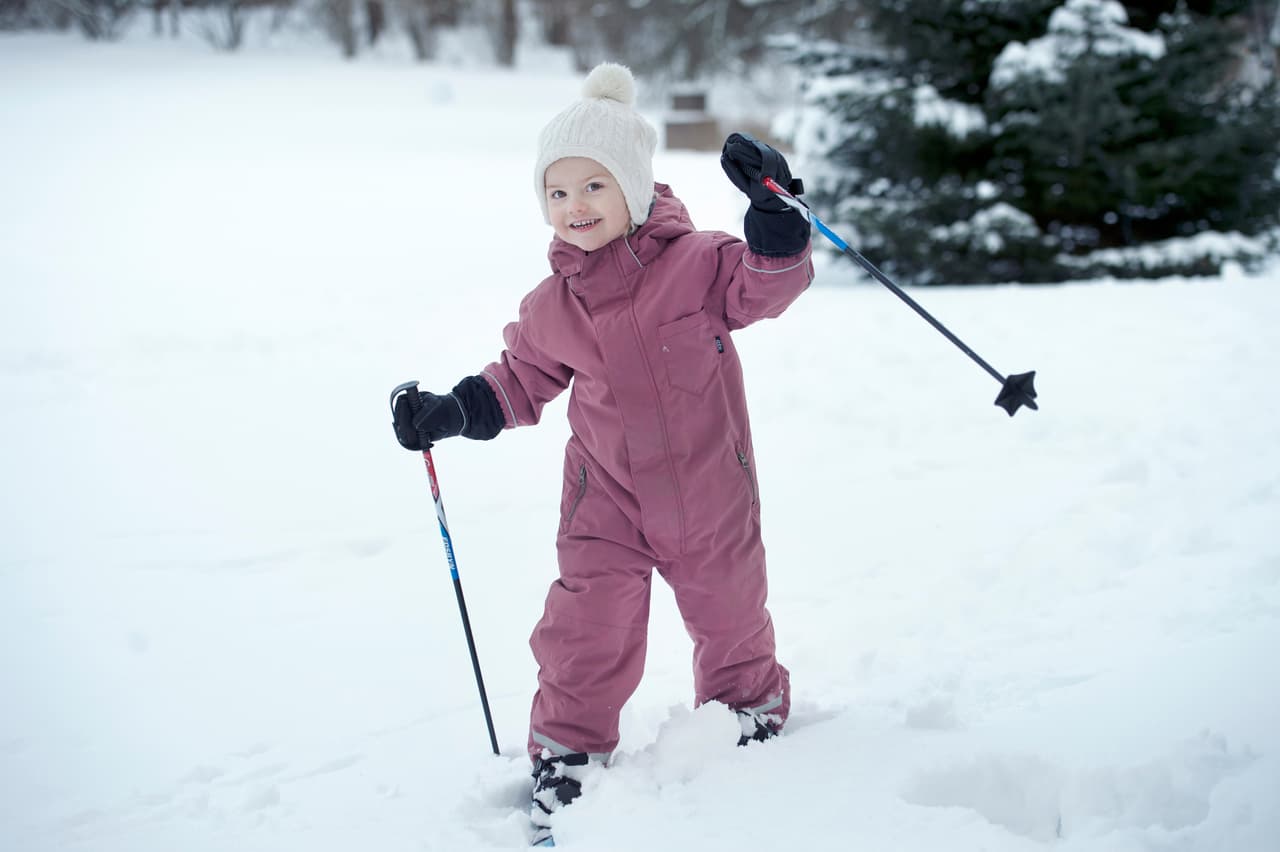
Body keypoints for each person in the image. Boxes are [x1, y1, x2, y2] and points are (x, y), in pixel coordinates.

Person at [392, 62, 813, 846]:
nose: (574, 207)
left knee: (729, 613)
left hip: (709, 485)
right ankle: (567, 751)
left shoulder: (699, 263)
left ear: (636, 188)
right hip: (605, 498)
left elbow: (766, 283)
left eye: (593, 187)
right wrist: (454, 410)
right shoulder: (554, 304)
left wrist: (777, 220)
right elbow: (520, 377)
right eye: (557, 192)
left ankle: (745, 713)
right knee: (585, 626)